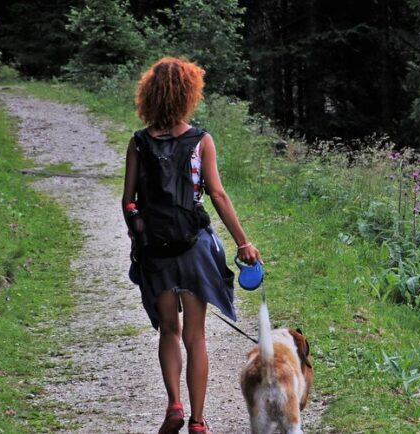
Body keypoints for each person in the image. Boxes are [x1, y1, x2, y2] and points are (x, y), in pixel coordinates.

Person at [122, 57, 262, 434]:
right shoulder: (201, 140)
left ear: (149, 95)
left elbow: (128, 200)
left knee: (169, 330)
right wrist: (243, 242)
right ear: (188, 94)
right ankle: (198, 422)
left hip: (156, 250)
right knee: (195, 336)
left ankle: (174, 405)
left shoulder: (138, 143)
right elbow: (216, 194)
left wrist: (140, 240)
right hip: (194, 246)